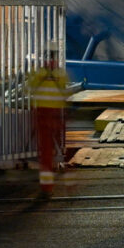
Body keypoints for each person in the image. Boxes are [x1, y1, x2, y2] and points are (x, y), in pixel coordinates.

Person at [27, 49, 72, 195]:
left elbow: (30, 88)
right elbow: (66, 91)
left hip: (42, 114)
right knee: (59, 147)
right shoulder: (61, 74)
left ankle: (47, 186)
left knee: (45, 150)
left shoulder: (39, 73)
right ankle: (68, 180)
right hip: (57, 115)